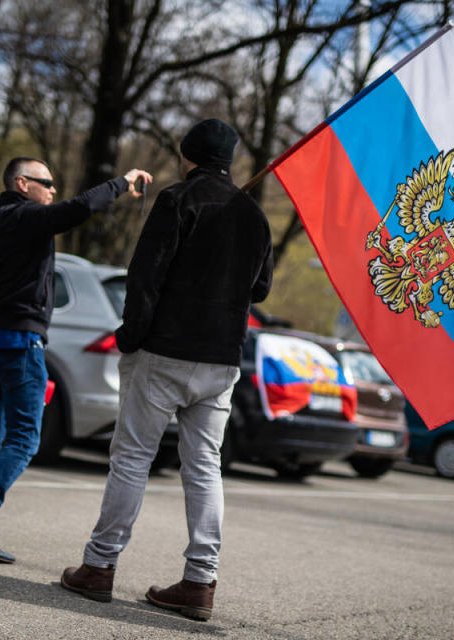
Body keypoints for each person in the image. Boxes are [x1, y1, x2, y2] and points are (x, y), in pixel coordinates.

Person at [61, 119, 274, 621]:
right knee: (204, 468)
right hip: (221, 359)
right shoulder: (255, 215)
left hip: (164, 352)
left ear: (188, 155)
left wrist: (131, 337)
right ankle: (200, 582)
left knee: (133, 458)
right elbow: (259, 289)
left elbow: (145, 275)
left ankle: (99, 567)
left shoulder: (177, 200)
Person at [0, 156, 152, 564]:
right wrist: (122, 182)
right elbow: (77, 209)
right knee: (25, 436)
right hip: (18, 341)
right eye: (47, 183)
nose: (54, 190)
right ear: (23, 184)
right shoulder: (25, 216)